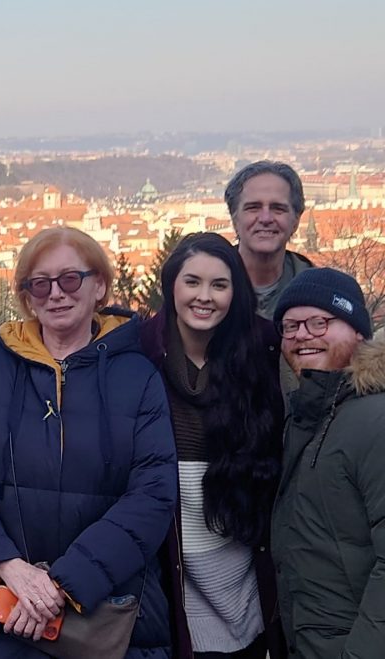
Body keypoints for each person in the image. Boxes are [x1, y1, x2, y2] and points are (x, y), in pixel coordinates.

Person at [0, 226, 177, 657]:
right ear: (27, 297)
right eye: (39, 284)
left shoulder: (138, 377)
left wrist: (62, 585)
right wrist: (9, 568)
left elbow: (153, 496)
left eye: (70, 279)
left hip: (105, 617)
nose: (56, 294)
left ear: (99, 285)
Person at [139, 233, 285, 659]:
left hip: (244, 570)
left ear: (235, 292)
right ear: (171, 286)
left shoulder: (263, 352)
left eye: (219, 285)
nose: (205, 297)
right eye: (192, 282)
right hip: (171, 573)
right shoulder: (137, 354)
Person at [270, 268, 385, 657]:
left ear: (358, 332)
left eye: (319, 321)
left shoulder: (375, 418)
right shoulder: (307, 416)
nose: (302, 334)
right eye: (290, 326)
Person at [225, 161, 313, 320]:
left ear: (296, 221)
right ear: (234, 219)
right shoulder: (206, 289)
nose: (265, 218)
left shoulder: (318, 292)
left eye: (278, 208)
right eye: (253, 207)